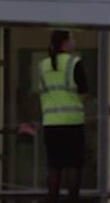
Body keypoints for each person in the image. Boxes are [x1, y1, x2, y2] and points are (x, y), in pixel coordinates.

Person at [36, 29, 90, 203]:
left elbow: (40, 91)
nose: (74, 42)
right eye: (72, 39)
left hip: (51, 123)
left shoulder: (42, 66)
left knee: (54, 166)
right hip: (72, 123)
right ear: (65, 43)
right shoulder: (74, 63)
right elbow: (84, 93)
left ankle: (52, 199)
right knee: (73, 166)